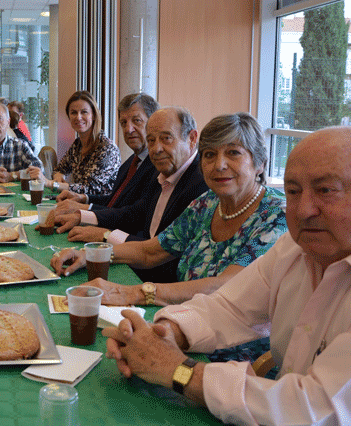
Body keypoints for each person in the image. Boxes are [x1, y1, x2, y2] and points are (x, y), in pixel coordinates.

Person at [103, 126, 351, 426]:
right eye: (293, 191)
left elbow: (316, 409)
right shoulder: (296, 248)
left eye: (326, 190)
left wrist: (177, 369)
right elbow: (229, 307)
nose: (303, 210)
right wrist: (167, 333)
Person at [52, 112, 287, 308]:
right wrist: (93, 254)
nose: (219, 165)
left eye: (233, 153)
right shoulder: (207, 204)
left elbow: (225, 285)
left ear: (260, 163)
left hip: (232, 350)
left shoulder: (277, 214)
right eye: (210, 155)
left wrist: (135, 292)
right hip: (186, 321)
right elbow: (150, 251)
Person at [54, 106, 209, 283]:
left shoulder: (202, 184)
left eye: (166, 138)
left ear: (192, 138)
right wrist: (82, 215)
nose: (157, 148)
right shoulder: (162, 171)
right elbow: (133, 213)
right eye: (151, 140)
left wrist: (105, 237)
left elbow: (162, 256)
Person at [55, 93, 158, 217]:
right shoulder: (132, 162)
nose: (128, 129)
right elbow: (115, 201)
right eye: (124, 123)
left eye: (137, 120)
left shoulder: (159, 166)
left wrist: (84, 209)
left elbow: (135, 216)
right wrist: (83, 198)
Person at [28, 91, 120, 195]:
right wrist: (59, 176)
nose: (78, 117)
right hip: (77, 202)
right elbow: (59, 169)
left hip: (99, 208)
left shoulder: (107, 148)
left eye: (84, 112)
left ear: (94, 115)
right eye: (73, 112)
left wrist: (50, 183)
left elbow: (91, 189)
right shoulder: (77, 145)